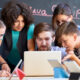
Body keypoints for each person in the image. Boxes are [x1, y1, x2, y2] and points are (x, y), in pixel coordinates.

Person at [0, 1, 35, 72]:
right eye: (16, 21)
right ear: (9, 20)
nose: (20, 25)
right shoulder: (3, 26)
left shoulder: (30, 27)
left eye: (23, 21)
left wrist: (25, 64)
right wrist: (3, 63)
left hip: (22, 64)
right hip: (4, 63)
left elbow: (31, 49)